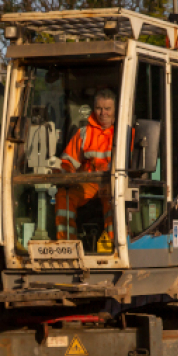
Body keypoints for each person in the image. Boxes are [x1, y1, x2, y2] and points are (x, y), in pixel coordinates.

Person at [55, 88, 117, 246]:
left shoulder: (124, 134)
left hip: (113, 184)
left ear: (115, 110)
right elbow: (68, 161)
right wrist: (64, 175)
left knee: (115, 199)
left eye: (107, 109)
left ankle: (113, 245)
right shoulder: (84, 133)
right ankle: (66, 245)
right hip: (88, 184)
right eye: (99, 108)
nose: (103, 113)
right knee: (64, 196)